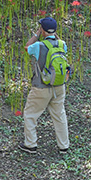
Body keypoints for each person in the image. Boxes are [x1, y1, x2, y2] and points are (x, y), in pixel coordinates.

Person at [19, 16, 71, 154]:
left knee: (30, 114)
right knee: (59, 115)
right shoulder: (62, 44)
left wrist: (37, 34)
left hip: (41, 88)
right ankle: (64, 146)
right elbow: (58, 42)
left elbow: (26, 47)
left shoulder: (39, 46)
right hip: (59, 86)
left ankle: (31, 145)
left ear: (42, 29)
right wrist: (54, 34)